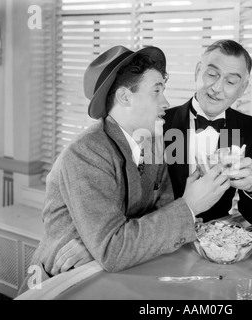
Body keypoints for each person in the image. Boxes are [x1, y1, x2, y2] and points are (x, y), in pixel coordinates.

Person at [18, 45, 230, 295]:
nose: (166, 102)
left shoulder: (153, 143)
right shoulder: (85, 153)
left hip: (115, 274)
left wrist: (98, 245)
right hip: (63, 281)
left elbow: (158, 213)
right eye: (156, 91)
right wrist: (190, 206)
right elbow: (115, 250)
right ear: (125, 97)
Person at [163, 39, 252, 225]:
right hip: (163, 237)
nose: (217, 88)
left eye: (230, 81)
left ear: (242, 88)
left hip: (216, 241)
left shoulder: (251, 130)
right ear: (197, 71)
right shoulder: (158, 124)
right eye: (212, 74)